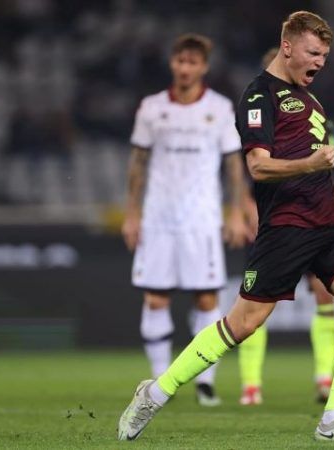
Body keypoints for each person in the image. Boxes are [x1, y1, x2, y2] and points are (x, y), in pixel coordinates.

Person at [118, 11, 334, 442]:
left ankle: (333, 418)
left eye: (324, 56)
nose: (319, 62)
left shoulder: (311, 101)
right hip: (287, 226)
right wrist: (310, 162)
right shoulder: (260, 96)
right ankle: (156, 392)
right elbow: (259, 168)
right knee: (242, 324)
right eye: (313, 53)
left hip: (330, 225)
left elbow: (318, 178)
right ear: (288, 46)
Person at [121, 34, 251, 408]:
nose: (185, 68)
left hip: (201, 217)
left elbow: (233, 164)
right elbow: (138, 163)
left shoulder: (220, 108)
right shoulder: (151, 108)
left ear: (203, 67)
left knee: (207, 297)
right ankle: (159, 380)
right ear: (172, 63)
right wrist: (132, 213)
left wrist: (236, 212)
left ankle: (205, 382)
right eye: (180, 61)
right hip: (158, 216)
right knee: (155, 297)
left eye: (192, 62)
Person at [237, 46, 334, 406]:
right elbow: (248, 168)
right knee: (255, 304)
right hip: (275, 216)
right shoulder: (257, 105)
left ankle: (325, 379)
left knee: (324, 293)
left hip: (313, 213)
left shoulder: (316, 113)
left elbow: (325, 170)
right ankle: (251, 385)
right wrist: (245, 208)